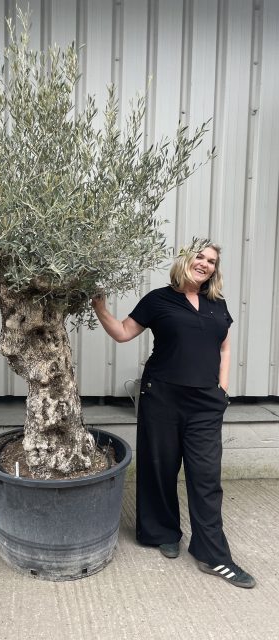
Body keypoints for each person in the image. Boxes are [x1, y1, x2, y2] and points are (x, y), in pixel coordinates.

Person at [92, 238, 256, 589]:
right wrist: (100, 308)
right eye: (200, 256)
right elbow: (123, 332)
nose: (206, 264)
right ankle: (161, 532)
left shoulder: (217, 304)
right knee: (159, 467)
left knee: (206, 478)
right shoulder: (158, 300)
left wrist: (222, 390)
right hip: (161, 398)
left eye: (212, 261)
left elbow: (224, 346)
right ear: (185, 260)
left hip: (205, 405)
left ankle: (213, 554)